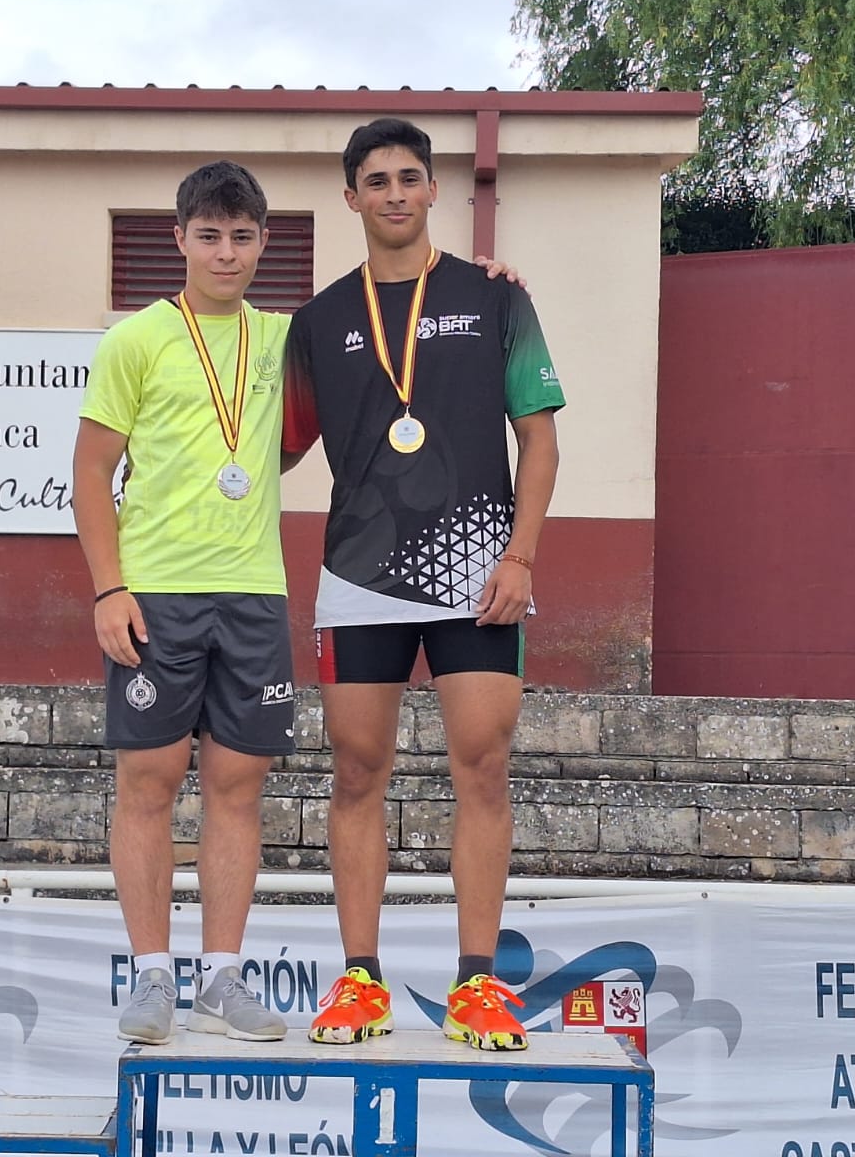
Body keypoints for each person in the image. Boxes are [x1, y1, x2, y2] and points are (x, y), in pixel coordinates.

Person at [282, 118, 565, 1051]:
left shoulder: (494, 298)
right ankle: (360, 979)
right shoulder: (319, 321)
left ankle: (477, 983)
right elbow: (273, 446)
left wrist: (520, 557)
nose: (395, 193)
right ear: (351, 197)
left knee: (482, 765)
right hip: (358, 574)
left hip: (477, 570)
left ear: (434, 189)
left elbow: (540, 440)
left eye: (410, 177)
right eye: (377, 180)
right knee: (356, 770)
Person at [73, 161, 293, 1045]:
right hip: (156, 592)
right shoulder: (136, 340)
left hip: (255, 591)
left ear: (263, 242)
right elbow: (91, 472)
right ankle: (153, 977)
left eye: (241, 236)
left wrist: (491, 278)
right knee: (149, 782)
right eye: (209, 236)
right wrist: (109, 587)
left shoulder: (284, 340)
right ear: (180, 240)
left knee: (237, 789)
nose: (225, 253)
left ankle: (222, 979)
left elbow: (387, 322)